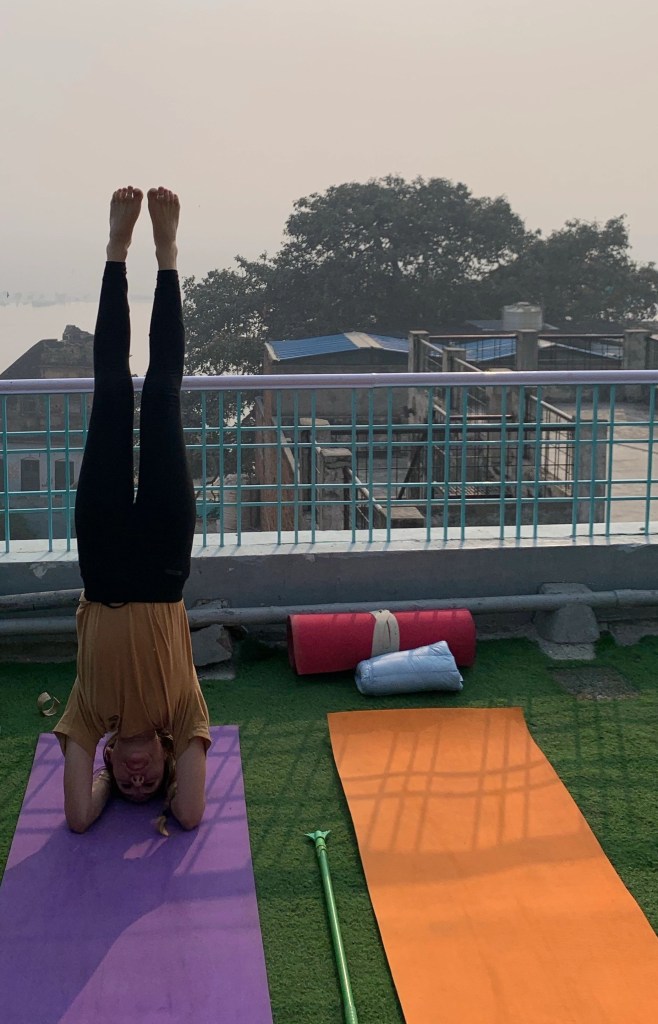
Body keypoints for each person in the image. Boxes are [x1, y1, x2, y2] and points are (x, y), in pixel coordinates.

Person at [54, 186, 211, 835]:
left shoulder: (91, 716)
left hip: (105, 561)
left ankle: (117, 252)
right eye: (150, 782)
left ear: (111, 764)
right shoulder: (184, 714)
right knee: (163, 395)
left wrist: (99, 778)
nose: (137, 779)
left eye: (128, 782)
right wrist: (173, 784)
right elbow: (194, 812)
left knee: (113, 392)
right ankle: (168, 253)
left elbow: (79, 819)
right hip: (165, 565)